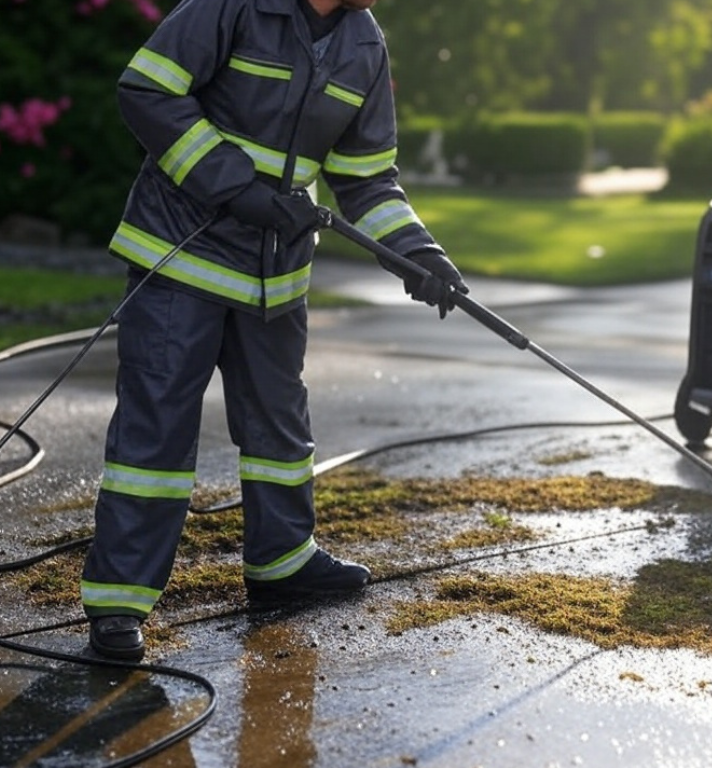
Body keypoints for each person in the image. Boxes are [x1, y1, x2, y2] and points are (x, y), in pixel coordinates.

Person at [81, 0, 468, 661]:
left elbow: (366, 177)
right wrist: (237, 188)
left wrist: (417, 253)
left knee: (278, 425)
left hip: (274, 278)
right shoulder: (231, 6)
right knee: (157, 430)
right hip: (182, 257)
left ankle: (283, 561)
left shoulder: (363, 44)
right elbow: (148, 90)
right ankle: (119, 602)